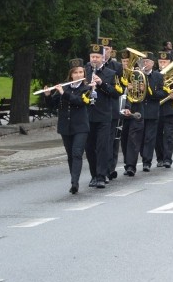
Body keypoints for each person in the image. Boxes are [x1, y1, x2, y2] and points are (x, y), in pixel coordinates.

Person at [45, 59, 91, 194]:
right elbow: (52, 106)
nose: (78, 75)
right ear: (71, 75)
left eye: (81, 72)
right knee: (70, 155)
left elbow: (80, 102)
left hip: (81, 127)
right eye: (75, 72)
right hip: (66, 126)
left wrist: (63, 94)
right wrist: (48, 95)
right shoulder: (64, 87)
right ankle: (73, 178)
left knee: (77, 153)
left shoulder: (87, 88)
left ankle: (75, 182)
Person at [85, 43, 120, 188]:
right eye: (92, 57)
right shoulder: (84, 72)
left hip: (104, 115)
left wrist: (102, 84)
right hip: (87, 116)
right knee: (89, 147)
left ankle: (101, 175)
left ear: (102, 58)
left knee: (102, 146)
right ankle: (94, 174)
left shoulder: (110, 74)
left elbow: (116, 92)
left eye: (97, 57)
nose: (94, 59)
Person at [155, 50, 173, 168]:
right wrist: (167, 92)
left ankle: (168, 159)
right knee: (157, 134)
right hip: (157, 109)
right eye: (160, 61)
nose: (162, 64)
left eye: (165, 62)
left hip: (169, 109)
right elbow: (153, 92)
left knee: (168, 134)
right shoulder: (154, 75)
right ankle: (160, 157)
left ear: (170, 63)